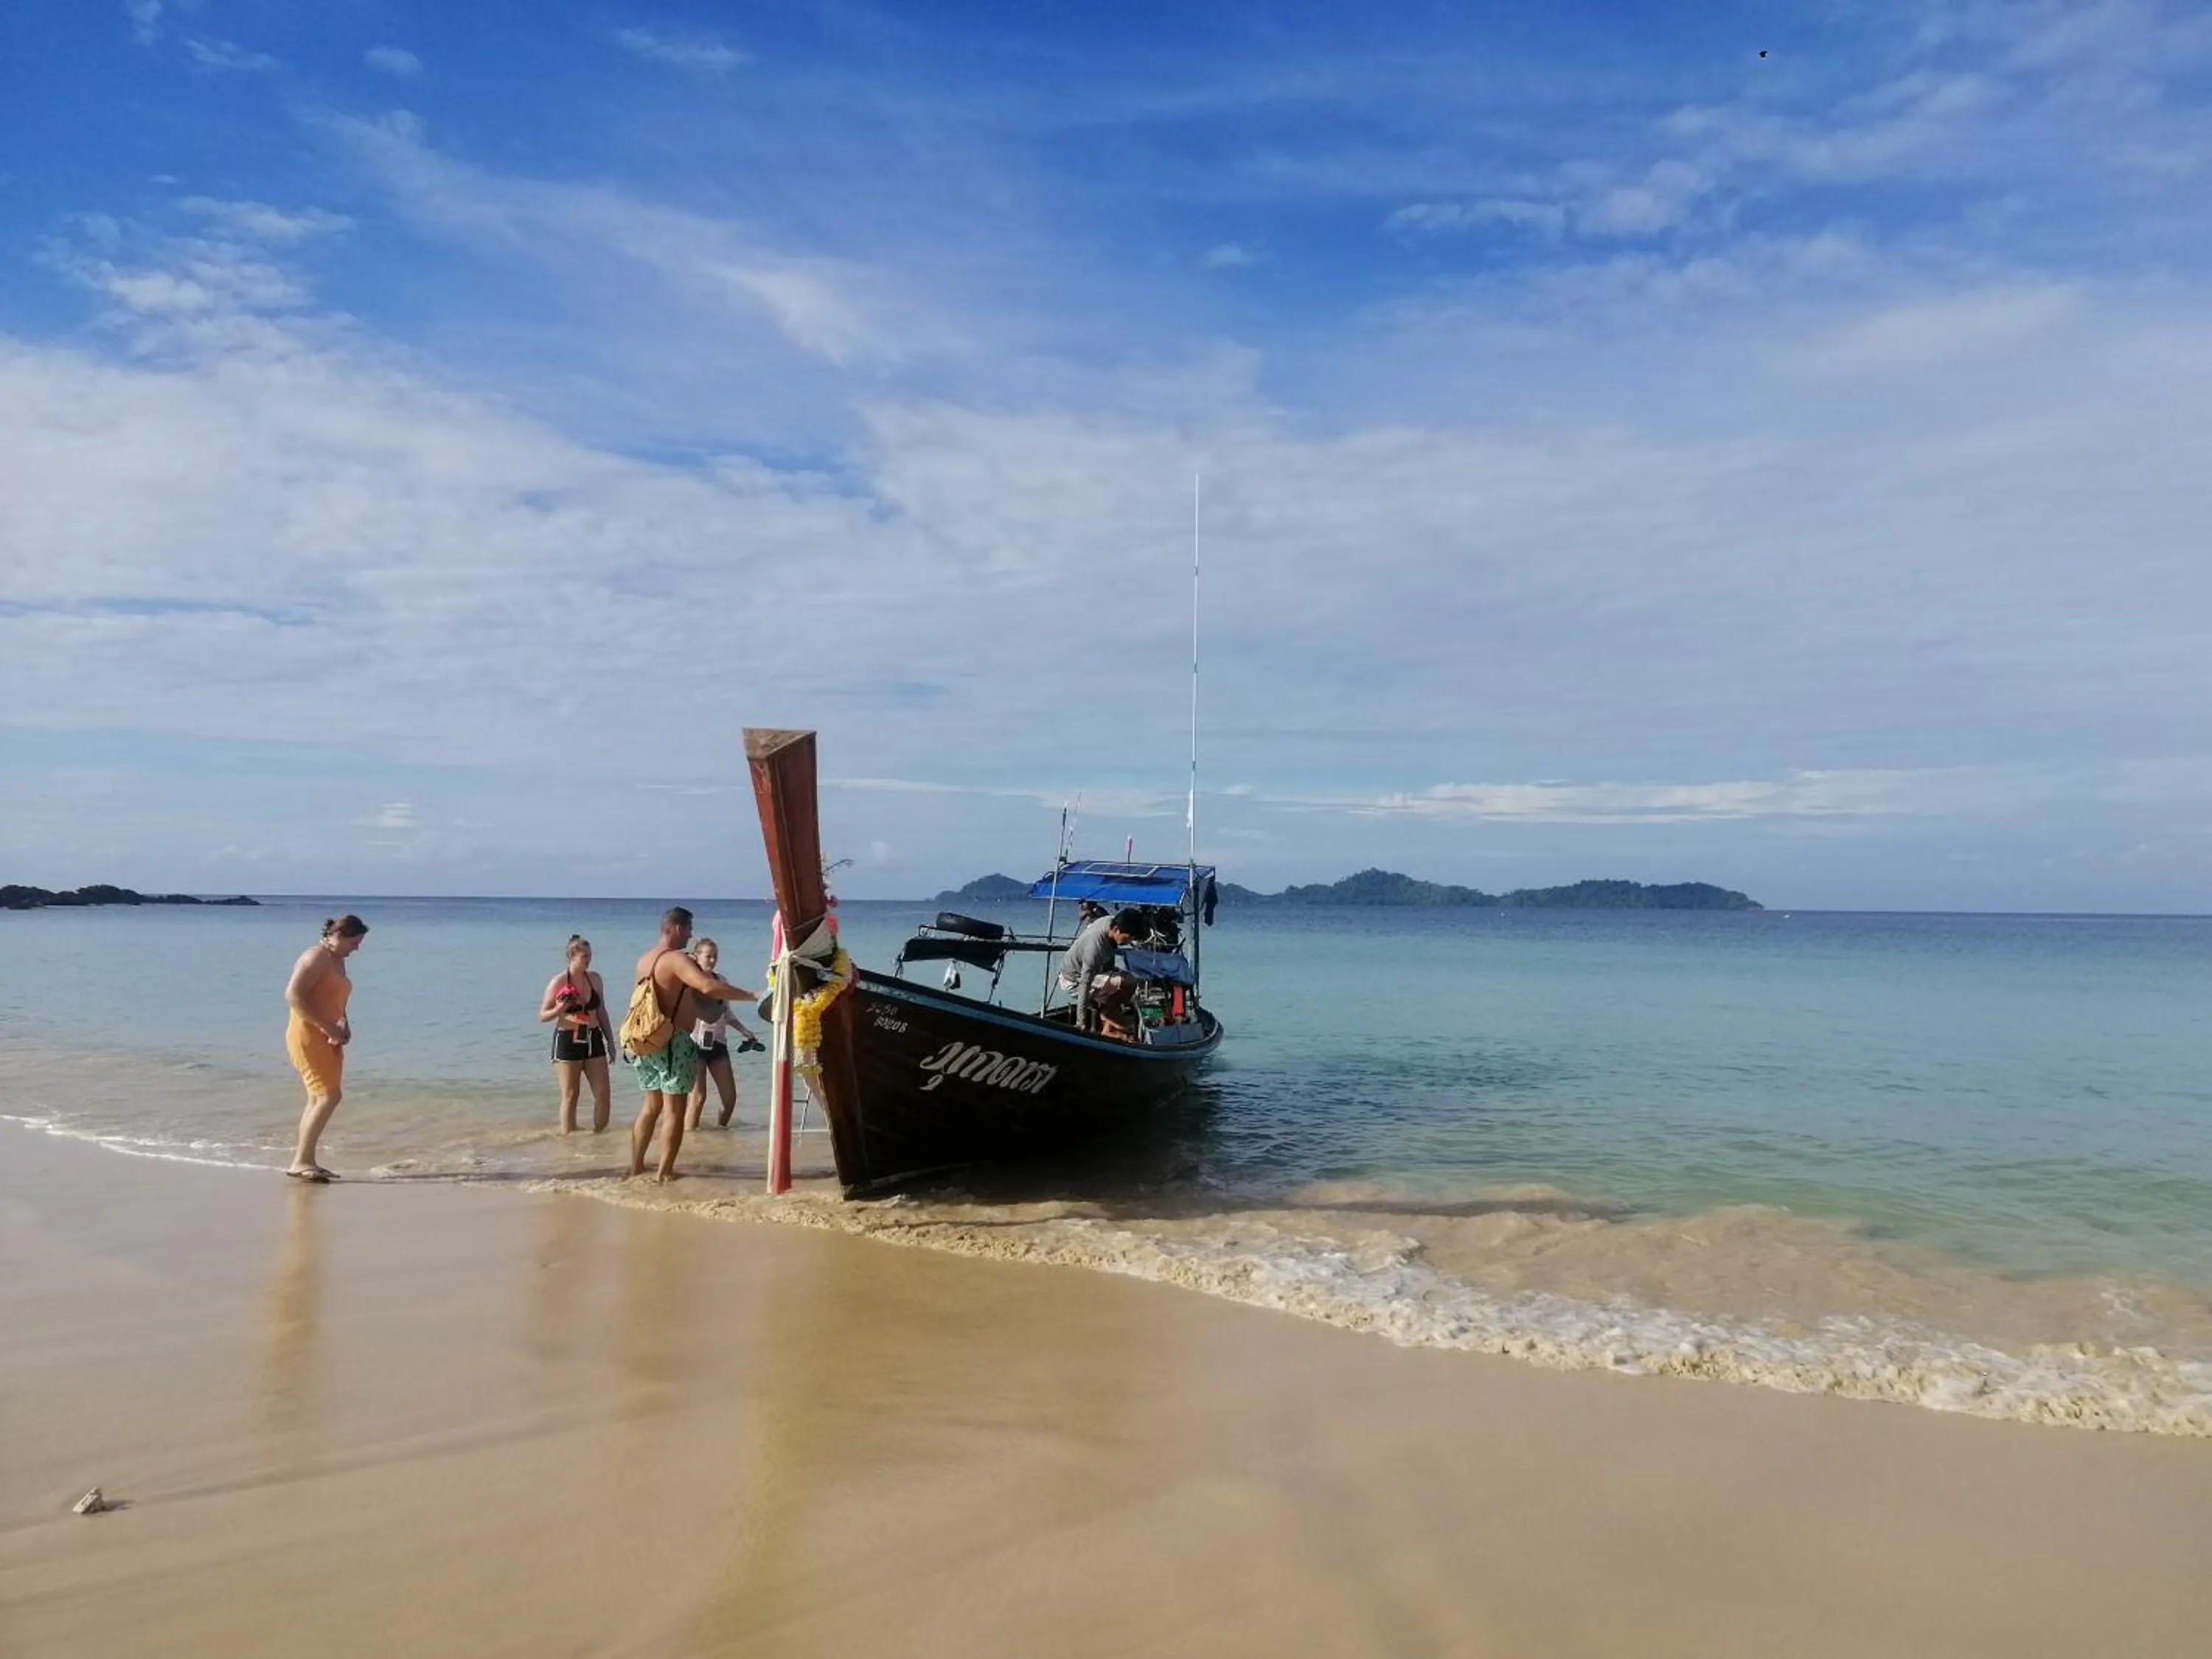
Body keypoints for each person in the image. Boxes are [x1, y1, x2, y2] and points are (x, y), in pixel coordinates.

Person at [629, 908, 759, 1182]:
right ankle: (664, 1173)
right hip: (674, 1041)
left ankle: (636, 1167)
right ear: (677, 928)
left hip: (647, 1040)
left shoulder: (644, 960)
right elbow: (707, 987)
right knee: (674, 1110)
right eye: (688, 928)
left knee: (650, 1107)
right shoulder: (676, 960)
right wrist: (751, 995)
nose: (690, 934)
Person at [282, 914, 368, 1182]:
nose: (358, 948)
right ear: (338, 936)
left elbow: (333, 998)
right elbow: (293, 996)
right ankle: (301, 1161)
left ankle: (306, 1160)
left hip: (329, 1036)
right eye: (354, 941)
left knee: (318, 1098)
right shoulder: (316, 957)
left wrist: (344, 1023)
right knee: (329, 1096)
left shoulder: (337, 960)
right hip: (307, 1035)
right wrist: (325, 1026)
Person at [539, 935, 615, 1134]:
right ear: (572, 957)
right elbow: (543, 1015)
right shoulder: (559, 981)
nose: (588, 960)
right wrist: (559, 1009)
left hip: (593, 1037)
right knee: (571, 1094)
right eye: (584, 956)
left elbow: (602, 1011)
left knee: (603, 1094)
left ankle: (600, 1138)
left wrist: (611, 1041)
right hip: (567, 1038)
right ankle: (569, 1142)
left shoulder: (595, 979)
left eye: (590, 956)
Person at [685, 937, 762, 1131]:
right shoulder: (689, 983)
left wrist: (745, 1031)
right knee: (698, 1098)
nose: (712, 960)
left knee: (730, 1099)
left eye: (715, 957)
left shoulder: (722, 982)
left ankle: (720, 1133)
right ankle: (689, 1142)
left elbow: (726, 1013)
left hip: (718, 1044)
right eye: (708, 956)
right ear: (697, 957)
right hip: (694, 1044)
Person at [1057, 908, 1138, 1037]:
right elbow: (1085, 983)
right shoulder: (1095, 946)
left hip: (1095, 972)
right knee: (1129, 981)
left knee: (1126, 992)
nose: (1128, 943)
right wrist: (1081, 1022)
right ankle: (1109, 1014)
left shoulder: (1110, 921)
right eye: (1127, 938)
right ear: (1116, 930)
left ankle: (1108, 1026)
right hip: (1074, 981)